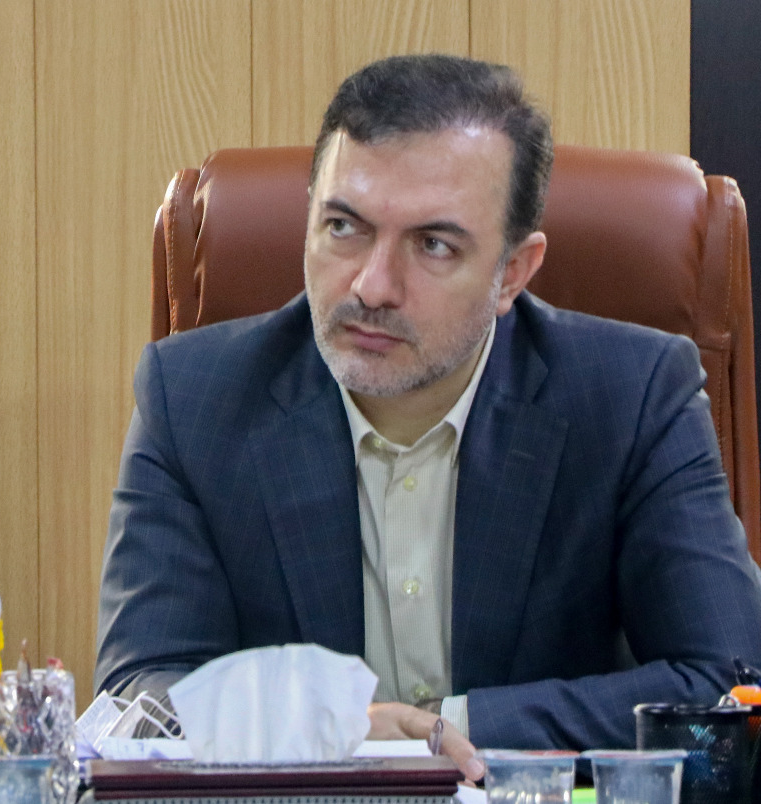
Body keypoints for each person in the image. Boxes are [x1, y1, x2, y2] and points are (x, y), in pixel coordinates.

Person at [93, 53, 761, 780]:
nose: (372, 286)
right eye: (343, 227)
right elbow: (139, 702)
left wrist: (447, 731)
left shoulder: (633, 396)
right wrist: (329, 727)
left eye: (434, 244)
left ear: (512, 272)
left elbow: (729, 691)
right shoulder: (194, 398)